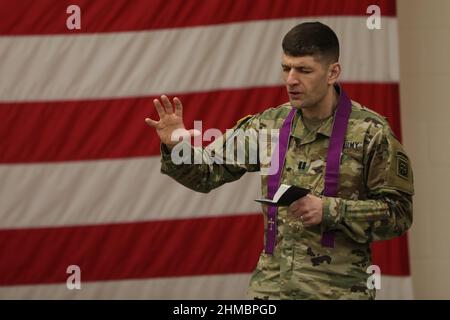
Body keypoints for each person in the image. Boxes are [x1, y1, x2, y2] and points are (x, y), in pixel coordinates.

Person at [145, 22, 414, 300]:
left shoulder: (370, 132)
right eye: (286, 68)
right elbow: (204, 175)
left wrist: (331, 210)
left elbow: (400, 214)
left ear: (333, 72)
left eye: (304, 70)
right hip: (271, 290)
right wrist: (176, 146)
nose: (291, 80)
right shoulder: (267, 126)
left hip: (338, 291)